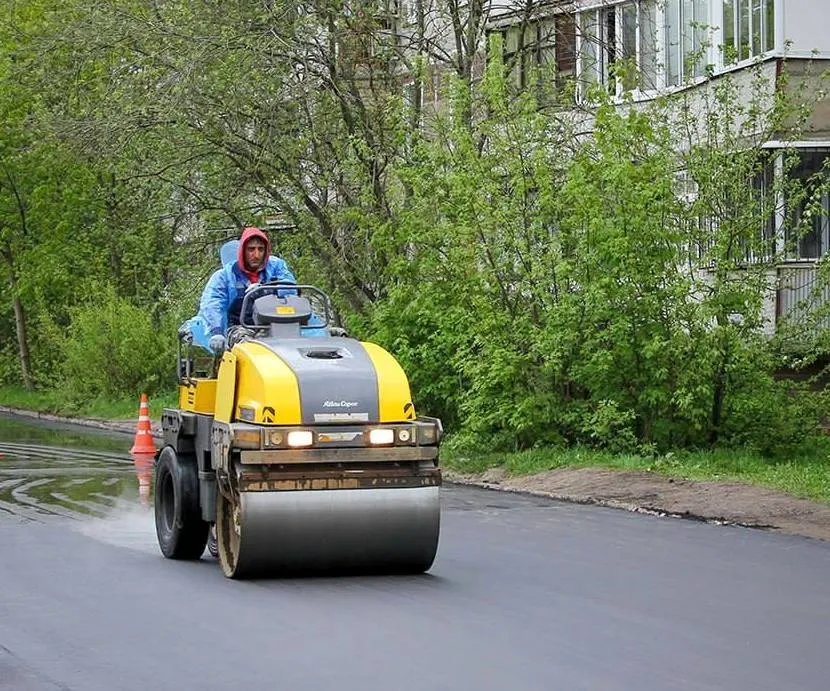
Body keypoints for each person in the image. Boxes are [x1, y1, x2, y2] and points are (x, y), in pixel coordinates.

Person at [179, 226, 296, 353]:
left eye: (260, 249)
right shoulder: (225, 276)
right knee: (249, 348)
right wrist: (217, 331)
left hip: (275, 325)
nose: (256, 255)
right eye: (251, 249)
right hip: (239, 327)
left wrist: (266, 290)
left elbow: (291, 289)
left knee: (293, 346)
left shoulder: (276, 266)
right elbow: (213, 304)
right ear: (242, 251)